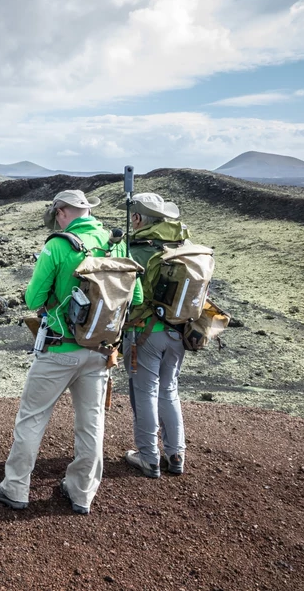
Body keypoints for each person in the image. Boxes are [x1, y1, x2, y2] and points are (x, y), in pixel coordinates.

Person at [0, 190, 139, 515]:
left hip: (59, 349)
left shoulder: (57, 245)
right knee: (91, 423)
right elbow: (135, 297)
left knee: (32, 418)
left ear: (61, 212)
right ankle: (81, 493)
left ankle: (15, 488)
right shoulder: (115, 244)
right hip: (100, 351)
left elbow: (32, 299)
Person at [122, 192, 190, 478]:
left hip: (145, 334)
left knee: (146, 392)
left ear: (136, 218)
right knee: (169, 390)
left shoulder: (138, 250)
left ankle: (149, 458)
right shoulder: (182, 244)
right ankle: (176, 455)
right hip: (179, 332)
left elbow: (128, 297)